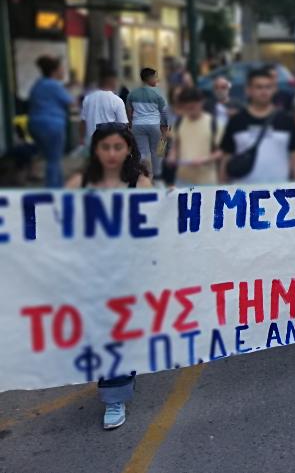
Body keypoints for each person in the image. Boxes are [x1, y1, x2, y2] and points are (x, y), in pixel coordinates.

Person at [66, 123, 152, 429]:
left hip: (127, 274)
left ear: (129, 149)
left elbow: (152, 227)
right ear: (95, 150)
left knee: (117, 333)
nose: (112, 153)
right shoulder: (79, 183)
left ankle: (115, 396)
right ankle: (118, 384)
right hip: (90, 273)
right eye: (105, 147)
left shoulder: (139, 183)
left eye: (118, 147)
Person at [220, 68, 295, 184]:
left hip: (279, 191)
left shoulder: (286, 120)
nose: (264, 91)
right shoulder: (236, 121)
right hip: (243, 191)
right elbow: (226, 157)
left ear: (274, 89)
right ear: (248, 90)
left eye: (268, 87)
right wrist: (222, 189)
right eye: (259, 87)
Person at [27, 56, 73, 187]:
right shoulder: (54, 85)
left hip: (35, 124)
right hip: (52, 125)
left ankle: (58, 185)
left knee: (50, 158)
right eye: (61, 69)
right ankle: (54, 189)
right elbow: (70, 101)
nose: (63, 71)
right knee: (54, 160)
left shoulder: (38, 84)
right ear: (55, 71)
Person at [165, 87, 221, 187]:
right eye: (187, 107)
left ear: (201, 103)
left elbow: (221, 151)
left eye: (193, 106)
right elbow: (173, 144)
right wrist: (171, 156)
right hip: (182, 179)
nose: (190, 110)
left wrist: (205, 159)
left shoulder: (213, 123)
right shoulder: (177, 121)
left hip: (207, 181)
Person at [126, 68, 168, 179]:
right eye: (155, 77)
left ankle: (143, 175)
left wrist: (130, 124)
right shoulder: (158, 93)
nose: (157, 79)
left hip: (137, 125)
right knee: (158, 151)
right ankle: (157, 175)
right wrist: (165, 126)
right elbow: (164, 111)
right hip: (155, 125)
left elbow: (129, 110)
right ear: (150, 78)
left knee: (141, 152)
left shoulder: (132, 93)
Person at [80, 67, 128, 147]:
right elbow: (123, 125)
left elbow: (83, 122)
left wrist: (81, 138)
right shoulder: (117, 100)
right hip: (110, 143)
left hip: (91, 142)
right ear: (112, 80)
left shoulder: (88, 98)